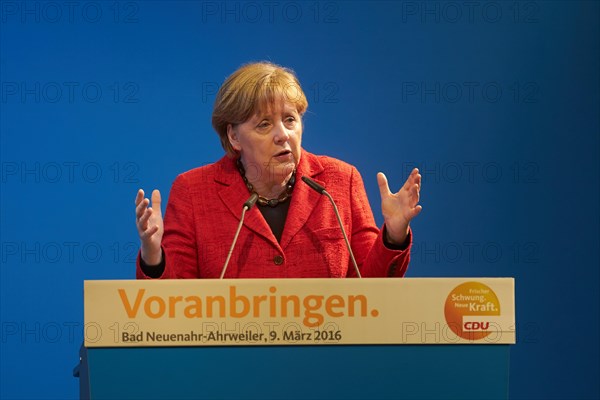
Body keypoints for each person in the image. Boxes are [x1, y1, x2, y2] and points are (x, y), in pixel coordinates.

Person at [134, 62, 422, 279]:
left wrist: (394, 236)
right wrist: (153, 254)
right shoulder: (193, 191)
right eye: (264, 124)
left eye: (290, 120)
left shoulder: (340, 181)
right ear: (234, 137)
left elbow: (372, 290)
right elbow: (172, 306)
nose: (283, 135)